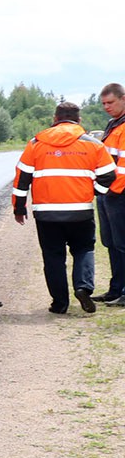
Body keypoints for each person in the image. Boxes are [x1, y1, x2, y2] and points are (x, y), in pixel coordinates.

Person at [12, 101, 120, 314]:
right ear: (79, 120)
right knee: (84, 249)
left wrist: (19, 207)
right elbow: (109, 175)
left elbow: (21, 178)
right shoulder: (93, 144)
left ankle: (59, 304)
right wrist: (94, 190)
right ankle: (83, 287)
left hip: (46, 213)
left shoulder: (35, 143)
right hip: (80, 210)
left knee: (53, 256)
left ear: (55, 119)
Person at [98, 82, 125, 304]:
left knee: (122, 244)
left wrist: (112, 191)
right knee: (111, 243)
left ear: (123, 99)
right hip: (108, 193)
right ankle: (115, 289)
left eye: (111, 102)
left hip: (119, 194)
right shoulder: (113, 125)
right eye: (104, 104)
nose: (107, 107)